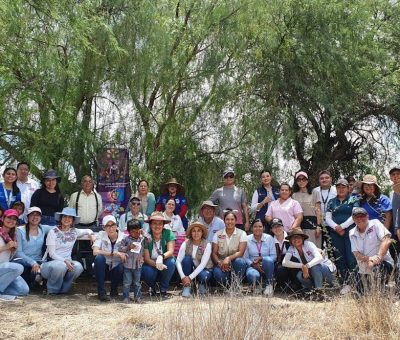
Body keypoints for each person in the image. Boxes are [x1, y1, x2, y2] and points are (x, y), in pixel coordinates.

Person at [40, 207, 95, 295]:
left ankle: (64, 289)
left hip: (67, 264)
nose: (67, 219)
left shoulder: (74, 231)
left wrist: (91, 234)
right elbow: (51, 254)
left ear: (73, 220)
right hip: (50, 264)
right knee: (60, 265)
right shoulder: (52, 232)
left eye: (70, 217)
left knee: (78, 267)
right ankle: (52, 291)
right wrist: (64, 261)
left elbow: (88, 230)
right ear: (60, 219)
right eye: (64, 216)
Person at [325, 179, 359, 294]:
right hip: (335, 234)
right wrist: (336, 228)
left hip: (350, 233)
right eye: (338, 187)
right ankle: (346, 283)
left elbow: (354, 215)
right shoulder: (331, 201)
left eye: (343, 187)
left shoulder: (353, 199)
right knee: (340, 258)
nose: (341, 189)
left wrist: (342, 227)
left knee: (351, 258)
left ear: (348, 188)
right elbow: (327, 218)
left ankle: (356, 282)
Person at [349, 207, 393, 295]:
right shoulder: (352, 232)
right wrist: (369, 259)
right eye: (357, 217)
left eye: (362, 216)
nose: (360, 219)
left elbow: (387, 240)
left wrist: (377, 259)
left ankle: (383, 291)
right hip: (364, 267)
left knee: (377, 271)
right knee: (361, 294)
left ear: (367, 216)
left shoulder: (375, 223)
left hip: (382, 263)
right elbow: (356, 253)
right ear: (353, 219)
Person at [283, 228, 335, 296]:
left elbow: (319, 258)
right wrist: (302, 266)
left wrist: (306, 266)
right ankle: (311, 291)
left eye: (298, 237)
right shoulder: (291, 248)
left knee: (315, 267)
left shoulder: (309, 244)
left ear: (302, 238)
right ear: (290, 240)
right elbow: (284, 262)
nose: (296, 240)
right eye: (293, 238)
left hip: (328, 273)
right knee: (299, 275)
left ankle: (319, 292)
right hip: (313, 272)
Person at [15, 207, 53, 287]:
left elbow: (59, 229)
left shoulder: (43, 228)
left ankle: (35, 278)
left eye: (37, 215)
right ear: (27, 217)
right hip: (23, 261)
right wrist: (32, 262)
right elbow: (18, 253)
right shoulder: (19, 230)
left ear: (41, 217)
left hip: (38, 261)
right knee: (26, 274)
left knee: (45, 270)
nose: (35, 217)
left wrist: (85, 231)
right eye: (32, 214)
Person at [141, 212, 176, 298]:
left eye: (160, 223)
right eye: (154, 223)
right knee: (146, 270)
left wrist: (161, 257)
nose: (157, 226)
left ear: (163, 225)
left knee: (171, 262)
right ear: (150, 225)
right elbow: (146, 258)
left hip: (165, 263)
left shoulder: (168, 233)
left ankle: (163, 289)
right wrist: (157, 264)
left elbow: (171, 251)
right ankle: (152, 288)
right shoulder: (147, 237)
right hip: (151, 265)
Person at [92, 215, 125, 301]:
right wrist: (112, 253)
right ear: (103, 227)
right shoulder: (101, 234)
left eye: (113, 225)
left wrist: (123, 255)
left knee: (122, 266)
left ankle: (114, 289)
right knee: (99, 258)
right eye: (107, 226)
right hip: (104, 268)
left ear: (117, 225)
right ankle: (101, 292)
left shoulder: (124, 237)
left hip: (116, 268)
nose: (110, 228)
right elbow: (95, 251)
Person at [176, 222, 213, 297]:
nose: (196, 233)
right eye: (194, 231)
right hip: (189, 271)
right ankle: (187, 286)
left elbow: (203, 264)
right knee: (186, 259)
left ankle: (201, 284)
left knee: (204, 275)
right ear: (191, 233)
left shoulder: (207, 244)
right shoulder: (186, 243)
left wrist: (190, 277)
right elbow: (178, 261)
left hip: (203, 270)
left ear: (202, 233)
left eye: (199, 230)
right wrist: (183, 277)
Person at [211, 210, 247, 287]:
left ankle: (235, 285)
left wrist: (228, 258)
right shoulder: (217, 234)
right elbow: (214, 253)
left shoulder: (242, 233)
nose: (229, 221)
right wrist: (219, 263)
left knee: (240, 261)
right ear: (224, 221)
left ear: (236, 221)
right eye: (227, 219)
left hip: (235, 263)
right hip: (221, 264)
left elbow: (241, 252)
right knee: (219, 275)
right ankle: (227, 286)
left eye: (232, 219)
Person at [0, 209, 29, 300]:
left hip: (5, 269)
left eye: (14, 219)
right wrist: (6, 247)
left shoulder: (13, 236)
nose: (11, 221)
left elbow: (8, 258)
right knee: (19, 267)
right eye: (9, 217)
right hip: (3, 268)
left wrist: (13, 251)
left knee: (23, 290)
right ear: (3, 218)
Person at [244, 219, 276, 296]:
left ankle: (269, 285)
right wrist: (253, 264)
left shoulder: (269, 238)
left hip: (267, 266)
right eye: (255, 226)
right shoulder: (247, 239)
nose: (257, 228)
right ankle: (257, 285)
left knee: (268, 259)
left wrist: (262, 258)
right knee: (253, 275)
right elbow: (245, 257)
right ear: (252, 228)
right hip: (252, 266)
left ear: (264, 228)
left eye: (260, 226)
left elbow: (274, 256)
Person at [119, 219, 147, 303]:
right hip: (127, 265)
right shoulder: (126, 239)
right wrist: (128, 247)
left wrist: (144, 233)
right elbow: (120, 248)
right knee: (127, 282)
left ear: (140, 230)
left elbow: (149, 240)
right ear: (129, 231)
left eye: (137, 231)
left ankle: (137, 297)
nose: (135, 233)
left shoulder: (142, 239)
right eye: (133, 231)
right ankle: (126, 297)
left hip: (138, 265)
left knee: (137, 282)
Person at [292, 171, 322, 247]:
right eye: (299, 179)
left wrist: (318, 226)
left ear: (307, 180)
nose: (301, 181)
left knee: (314, 250)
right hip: (300, 227)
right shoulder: (294, 195)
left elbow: (318, 210)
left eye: (303, 179)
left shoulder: (315, 192)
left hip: (312, 227)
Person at [270, 218, 299, 292]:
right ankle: (283, 287)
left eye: (279, 226)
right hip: (278, 264)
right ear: (271, 229)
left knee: (294, 260)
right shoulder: (269, 240)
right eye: (274, 227)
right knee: (280, 269)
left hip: (292, 261)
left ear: (283, 227)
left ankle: (297, 285)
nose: (277, 229)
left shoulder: (291, 236)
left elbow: (303, 244)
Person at [389, 165, 400, 245]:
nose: (396, 176)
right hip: (396, 229)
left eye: (398, 173)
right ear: (391, 178)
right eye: (393, 174)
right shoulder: (391, 193)